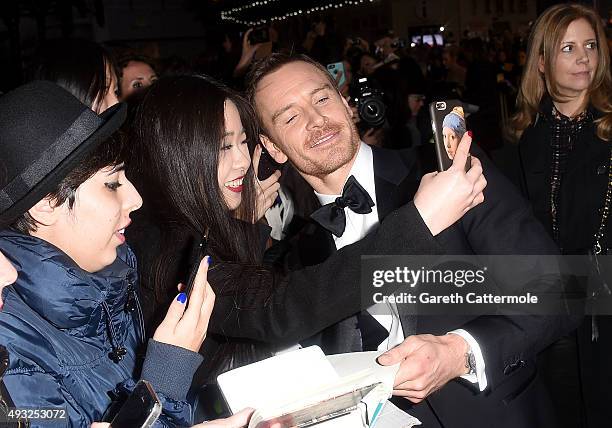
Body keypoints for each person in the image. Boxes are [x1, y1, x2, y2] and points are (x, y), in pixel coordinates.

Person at [245, 52, 578, 427]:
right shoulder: (300, 255)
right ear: (272, 147)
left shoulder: (447, 169)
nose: (317, 120)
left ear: (345, 103)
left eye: (322, 98)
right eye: (290, 116)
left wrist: (460, 353)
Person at [125, 74, 486, 391]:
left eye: (241, 142)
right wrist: (420, 221)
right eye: (223, 146)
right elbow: (273, 308)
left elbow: (537, 285)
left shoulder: (446, 173)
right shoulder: (164, 240)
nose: (241, 161)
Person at [0, 81, 216, 427]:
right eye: (112, 183)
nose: (135, 198)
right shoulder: (10, 345)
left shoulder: (108, 281)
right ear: (46, 205)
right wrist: (164, 377)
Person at [513, 4, 612, 427]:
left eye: (589, 45)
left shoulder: (608, 128)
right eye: (568, 48)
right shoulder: (524, 138)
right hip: (547, 315)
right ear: (541, 61)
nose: (583, 57)